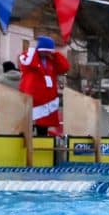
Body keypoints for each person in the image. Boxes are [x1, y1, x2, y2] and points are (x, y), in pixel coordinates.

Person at [18, 36, 70, 166]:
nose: (47, 53)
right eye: (44, 50)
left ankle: (41, 155)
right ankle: (24, 152)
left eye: (49, 51)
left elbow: (65, 67)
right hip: (32, 97)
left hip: (46, 99)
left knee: (43, 126)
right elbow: (26, 62)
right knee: (27, 124)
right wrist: (33, 51)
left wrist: (56, 55)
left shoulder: (51, 60)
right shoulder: (30, 57)